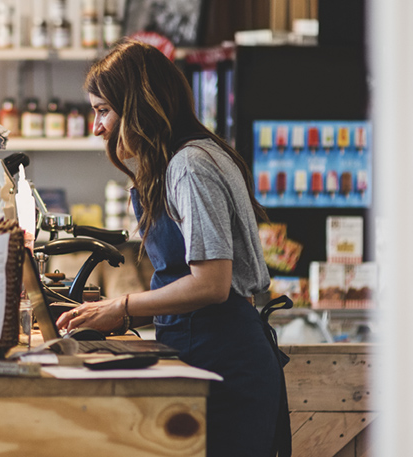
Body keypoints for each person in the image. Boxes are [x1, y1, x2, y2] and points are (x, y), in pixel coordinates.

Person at [56, 40, 291, 457]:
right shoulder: (181, 162)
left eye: (103, 110)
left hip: (225, 360)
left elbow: (212, 284)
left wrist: (123, 306)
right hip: (203, 349)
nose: (97, 128)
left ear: (139, 106)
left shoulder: (190, 165)